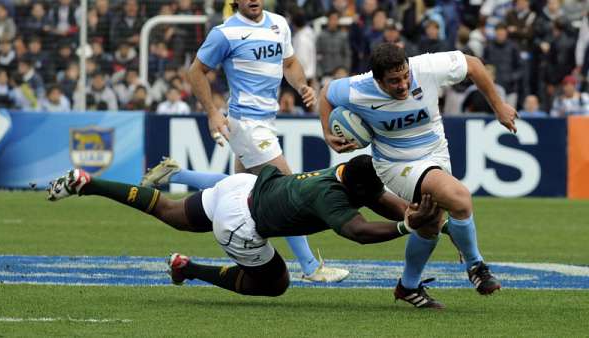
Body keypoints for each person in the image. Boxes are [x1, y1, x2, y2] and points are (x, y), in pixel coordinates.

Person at [47, 155, 445, 307]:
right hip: (242, 223)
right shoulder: (332, 197)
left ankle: (89, 183)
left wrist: (435, 222)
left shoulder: (341, 173)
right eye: (374, 190)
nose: (379, 193)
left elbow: (381, 201)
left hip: (243, 187)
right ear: (357, 187)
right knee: (274, 284)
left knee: (167, 210)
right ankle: (188, 270)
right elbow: (358, 232)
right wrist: (406, 225)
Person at [318, 43, 517, 306]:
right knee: (459, 197)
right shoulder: (357, 88)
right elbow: (325, 94)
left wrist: (499, 106)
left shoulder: (426, 67)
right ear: (377, 79)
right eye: (393, 81)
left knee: (431, 223)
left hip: (437, 154)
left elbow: (474, 65)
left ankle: (408, 287)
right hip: (396, 164)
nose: (402, 85)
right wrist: (327, 132)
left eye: (405, 76)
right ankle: (476, 267)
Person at [184, 0, 347, 282]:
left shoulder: (278, 24)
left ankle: (175, 172)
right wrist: (212, 112)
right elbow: (195, 71)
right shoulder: (225, 33)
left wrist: (302, 85)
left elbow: (290, 63)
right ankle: (310, 267)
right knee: (286, 189)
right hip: (246, 124)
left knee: (236, 191)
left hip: (265, 123)